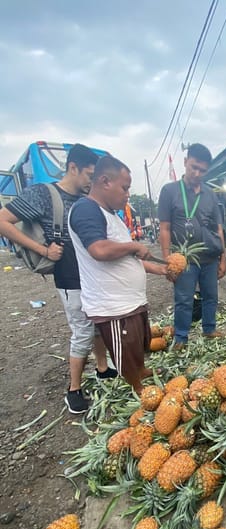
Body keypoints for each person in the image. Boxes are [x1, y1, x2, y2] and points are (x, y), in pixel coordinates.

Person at [0, 144, 117, 414]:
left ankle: (102, 369)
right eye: (89, 174)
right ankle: (73, 389)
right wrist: (43, 250)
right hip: (69, 276)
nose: (92, 181)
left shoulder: (87, 198)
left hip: (93, 275)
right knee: (82, 331)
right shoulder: (43, 194)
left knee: (98, 323)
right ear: (73, 167)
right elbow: (3, 220)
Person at [68, 155, 167, 395]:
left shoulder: (111, 215)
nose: (127, 194)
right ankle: (138, 390)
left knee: (136, 347)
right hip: (113, 306)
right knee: (125, 351)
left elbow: (128, 262)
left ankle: (141, 372)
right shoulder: (86, 209)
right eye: (125, 188)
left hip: (130, 303)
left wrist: (161, 269)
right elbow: (99, 250)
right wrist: (133, 246)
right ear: (104, 181)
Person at [158, 143, 226, 348]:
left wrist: (223, 259)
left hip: (209, 257)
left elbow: (219, 229)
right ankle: (181, 337)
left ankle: (210, 329)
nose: (197, 173)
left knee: (211, 297)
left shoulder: (210, 194)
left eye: (202, 170)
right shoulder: (169, 191)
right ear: (185, 162)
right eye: (194, 167)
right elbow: (165, 228)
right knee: (183, 299)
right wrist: (167, 260)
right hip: (184, 259)